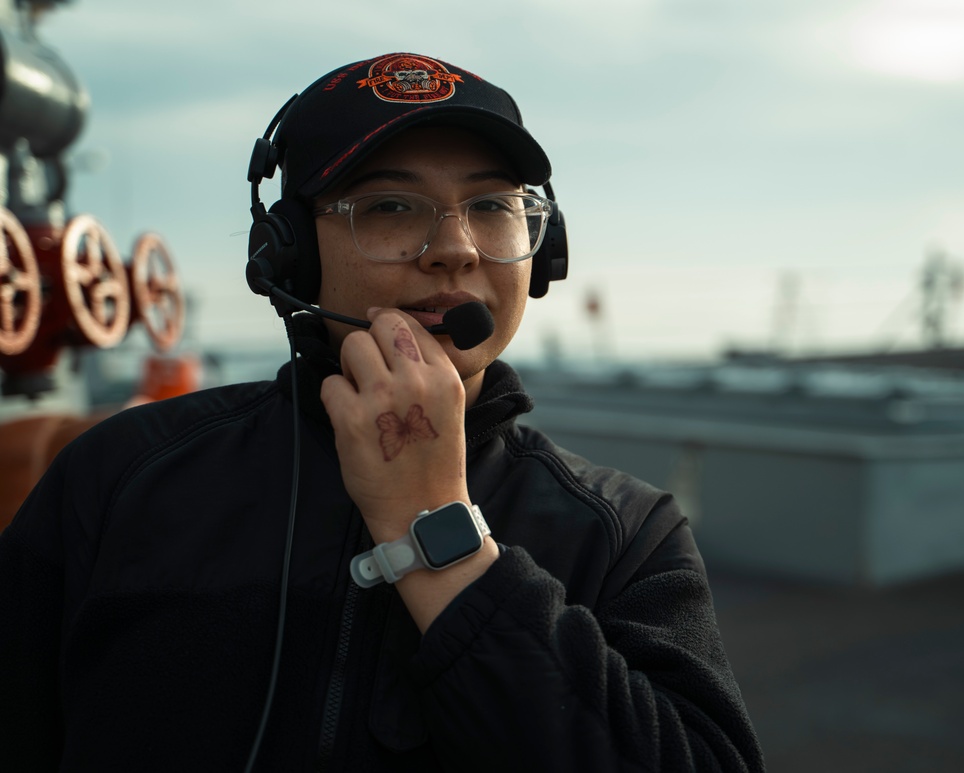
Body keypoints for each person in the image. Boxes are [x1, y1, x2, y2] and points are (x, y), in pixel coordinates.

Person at [0, 52, 765, 772]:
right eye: (392, 205)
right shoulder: (121, 477)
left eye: (493, 205)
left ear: (542, 247)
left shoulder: (626, 532)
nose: (456, 250)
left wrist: (440, 535)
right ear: (288, 251)